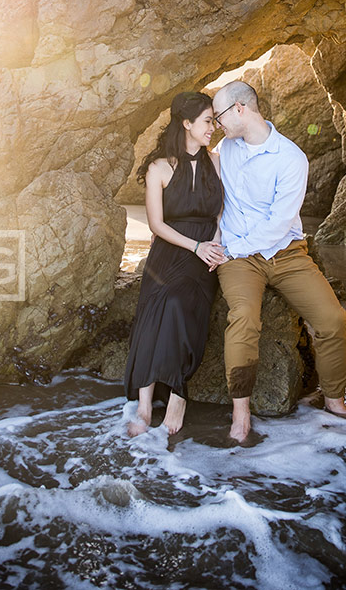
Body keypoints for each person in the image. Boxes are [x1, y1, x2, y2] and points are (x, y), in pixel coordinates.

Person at [212, 79, 346, 442]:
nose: (217, 122)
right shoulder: (226, 148)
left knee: (333, 319)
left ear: (240, 109)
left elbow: (278, 223)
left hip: (285, 252)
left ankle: (334, 401)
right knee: (244, 318)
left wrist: (233, 249)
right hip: (239, 259)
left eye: (219, 114)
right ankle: (241, 412)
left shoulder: (290, 157)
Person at [124, 91, 226, 436]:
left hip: (207, 249)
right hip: (172, 248)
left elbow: (225, 212)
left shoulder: (217, 161)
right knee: (158, 302)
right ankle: (144, 400)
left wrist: (217, 246)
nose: (215, 127)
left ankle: (177, 393)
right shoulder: (159, 167)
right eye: (208, 121)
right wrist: (195, 246)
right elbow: (156, 224)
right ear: (187, 123)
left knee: (180, 301)